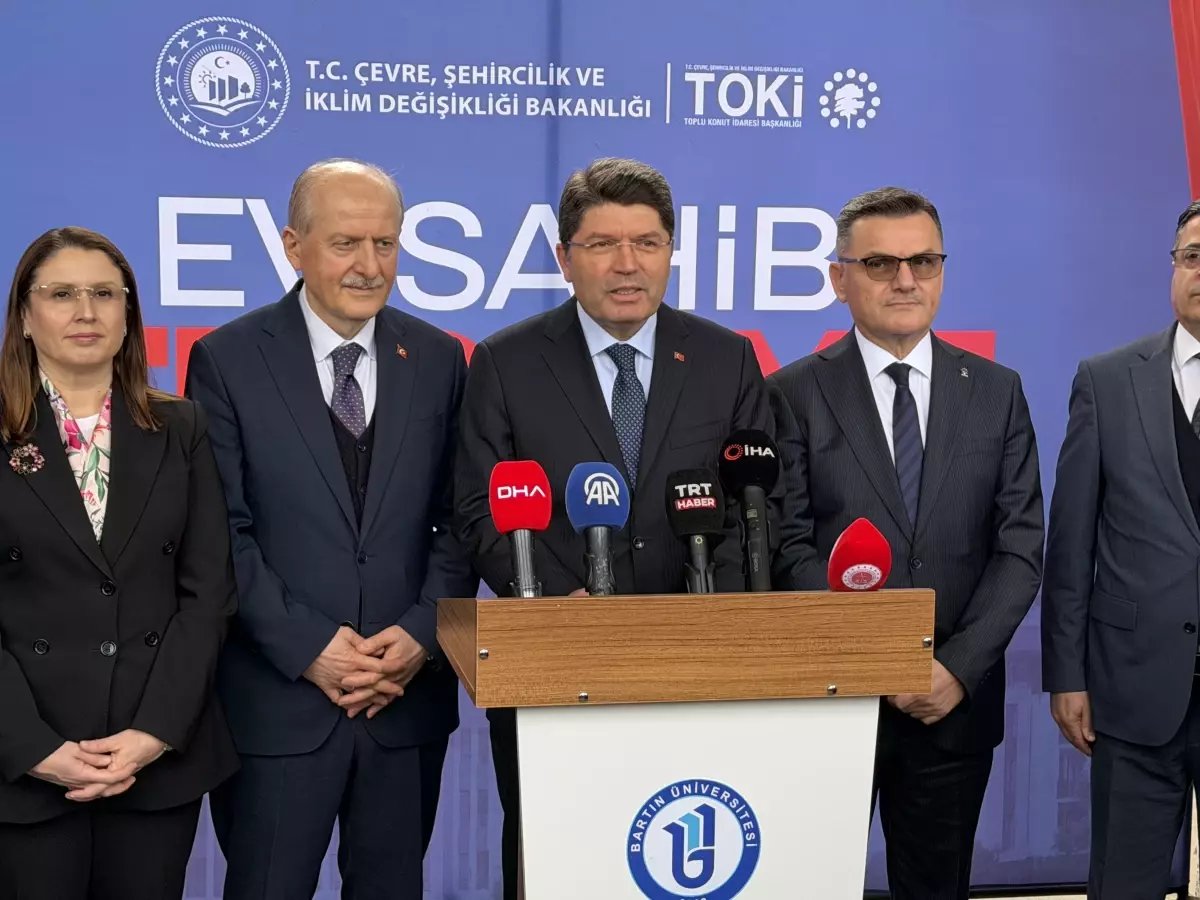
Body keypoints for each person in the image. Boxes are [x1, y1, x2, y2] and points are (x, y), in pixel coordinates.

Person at [453, 156, 782, 899]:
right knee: (556, 863)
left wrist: (708, 614)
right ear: (564, 258)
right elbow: (478, 506)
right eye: (602, 244)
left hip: (697, 667)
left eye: (647, 243)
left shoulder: (728, 358)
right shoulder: (505, 362)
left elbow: (756, 503)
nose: (627, 264)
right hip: (557, 664)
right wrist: (551, 603)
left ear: (671, 251)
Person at [185, 158, 476, 899]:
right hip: (278, 706)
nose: (369, 266)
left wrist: (420, 634)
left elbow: (460, 518)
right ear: (294, 246)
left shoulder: (440, 358)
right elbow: (220, 531)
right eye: (346, 243)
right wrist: (311, 647)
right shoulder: (226, 359)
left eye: (385, 243)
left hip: (403, 703)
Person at [768, 187, 1044, 899]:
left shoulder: (997, 391)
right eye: (880, 263)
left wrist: (956, 669)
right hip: (833, 698)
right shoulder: (790, 394)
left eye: (924, 261)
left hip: (953, 703)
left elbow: (1019, 548)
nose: (905, 280)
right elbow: (786, 545)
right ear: (840, 278)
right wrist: (881, 662)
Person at [0, 226, 239, 899]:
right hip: (23, 758)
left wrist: (154, 733)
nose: (86, 311)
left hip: (152, 761)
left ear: (128, 313)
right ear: (25, 316)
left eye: (105, 294)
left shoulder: (181, 426)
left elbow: (208, 594)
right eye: (62, 294)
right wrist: (31, 748)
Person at [1042, 199, 1200, 898]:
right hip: (1133, 692)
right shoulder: (1106, 381)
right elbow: (1070, 542)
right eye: (1193, 256)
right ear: (1173, 267)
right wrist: (1066, 675)